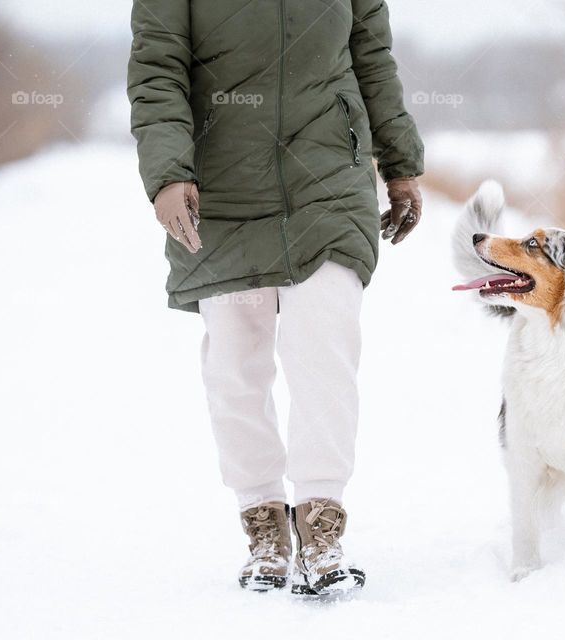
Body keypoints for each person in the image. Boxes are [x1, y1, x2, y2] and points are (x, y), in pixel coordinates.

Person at [127, 0, 423, 597]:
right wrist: (167, 174)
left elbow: (371, 58)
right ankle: (264, 521)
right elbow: (158, 69)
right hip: (223, 184)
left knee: (325, 342)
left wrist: (400, 163)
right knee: (236, 363)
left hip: (328, 177)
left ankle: (322, 522)